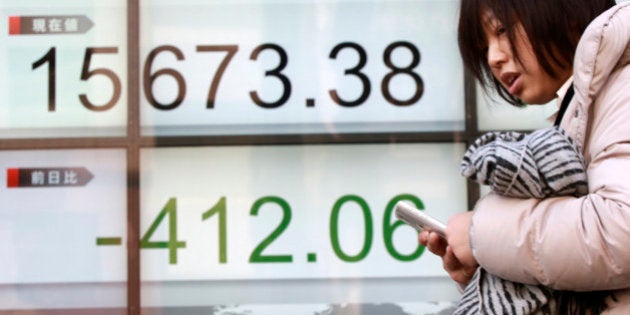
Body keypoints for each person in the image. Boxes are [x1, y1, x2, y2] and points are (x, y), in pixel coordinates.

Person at [419, 0, 630, 313]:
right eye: (484, 47)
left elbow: (621, 231)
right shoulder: (584, 106)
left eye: (502, 30)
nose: (493, 58)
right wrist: (492, 275)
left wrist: (481, 236)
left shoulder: (622, 88)